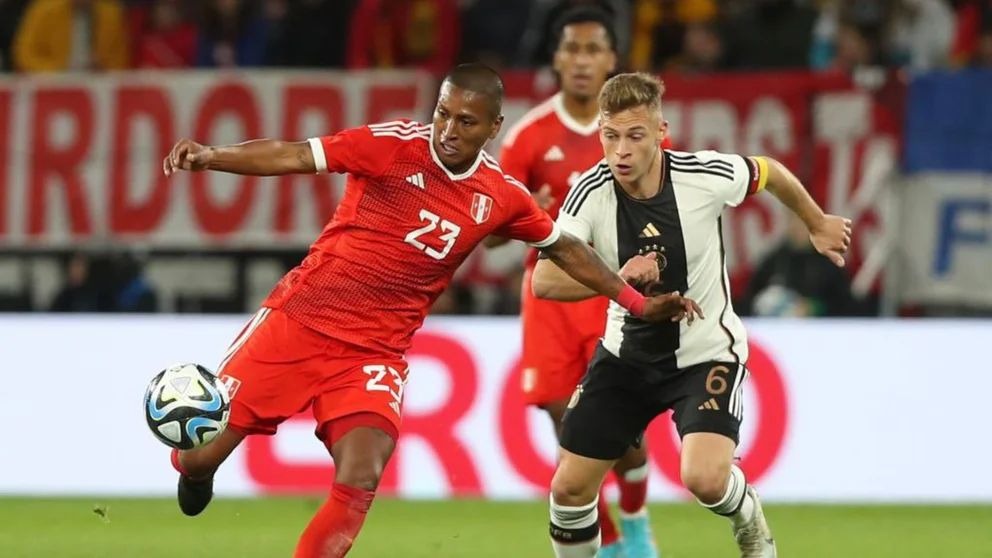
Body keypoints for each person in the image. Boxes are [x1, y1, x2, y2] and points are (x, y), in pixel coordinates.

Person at [160, 63, 700, 558]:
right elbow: (296, 154)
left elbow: (565, 249)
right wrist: (214, 156)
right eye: (443, 113)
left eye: (466, 121)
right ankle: (194, 467)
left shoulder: (501, 195)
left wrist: (633, 301)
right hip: (298, 322)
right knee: (201, 456)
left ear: (493, 127)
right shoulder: (390, 146)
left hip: (373, 353)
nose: (448, 129)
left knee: (363, 473)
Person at [532, 72, 852, 558]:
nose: (620, 151)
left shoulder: (704, 176)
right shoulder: (589, 193)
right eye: (610, 136)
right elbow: (545, 281)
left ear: (660, 133)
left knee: (703, 479)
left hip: (705, 356)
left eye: (634, 136)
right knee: (569, 491)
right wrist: (621, 280)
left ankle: (748, 518)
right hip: (625, 360)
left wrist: (816, 222)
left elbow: (769, 171)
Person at [497, 7, 668, 557]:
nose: (581, 61)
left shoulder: (635, 130)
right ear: (556, 58)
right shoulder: (528, 138)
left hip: (614, 297)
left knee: (624, 439)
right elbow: (489, 230)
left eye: (593, 50)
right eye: (572, 49)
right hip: (549, 296)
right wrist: (523, 218)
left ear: (612, 60)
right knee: (567, 425)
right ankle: (613, 543)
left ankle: (637, 517)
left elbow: (667, 204)